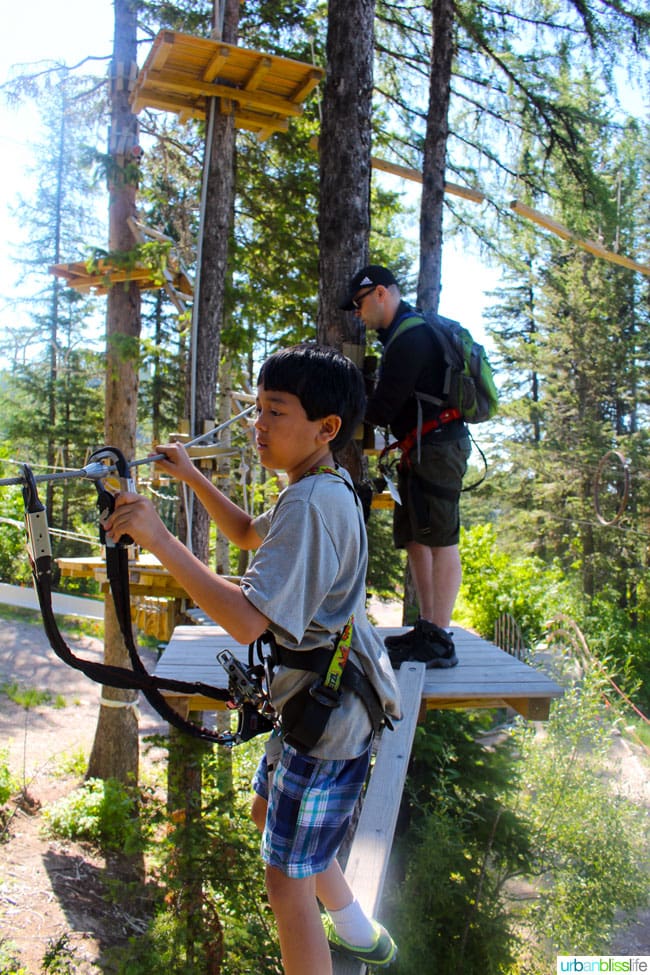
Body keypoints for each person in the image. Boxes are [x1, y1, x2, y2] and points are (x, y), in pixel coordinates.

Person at [103, 343, 400, 975]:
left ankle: (343, 936)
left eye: (275, 412)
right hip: (316, 702)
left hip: (329, 715)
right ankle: (355, 928)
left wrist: (157, 537)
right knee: (273, 816)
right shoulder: (314, 488)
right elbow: (244, 533)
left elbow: (244, 619)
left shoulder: (315, 505)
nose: (258, 426)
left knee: (285, 881)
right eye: (257, 410)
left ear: (326, 428)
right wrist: (190, 476)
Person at [339, 265, 471, 670]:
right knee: (416, 537)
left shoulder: (410, 337)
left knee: (441, 538)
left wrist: (339, 413)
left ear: (381, 293)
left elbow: (384, 406)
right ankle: (428, 629)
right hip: (421, 448)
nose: (358, 314)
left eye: (360, 305)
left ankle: (440, 637)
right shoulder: (402, 336)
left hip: (439, 447)